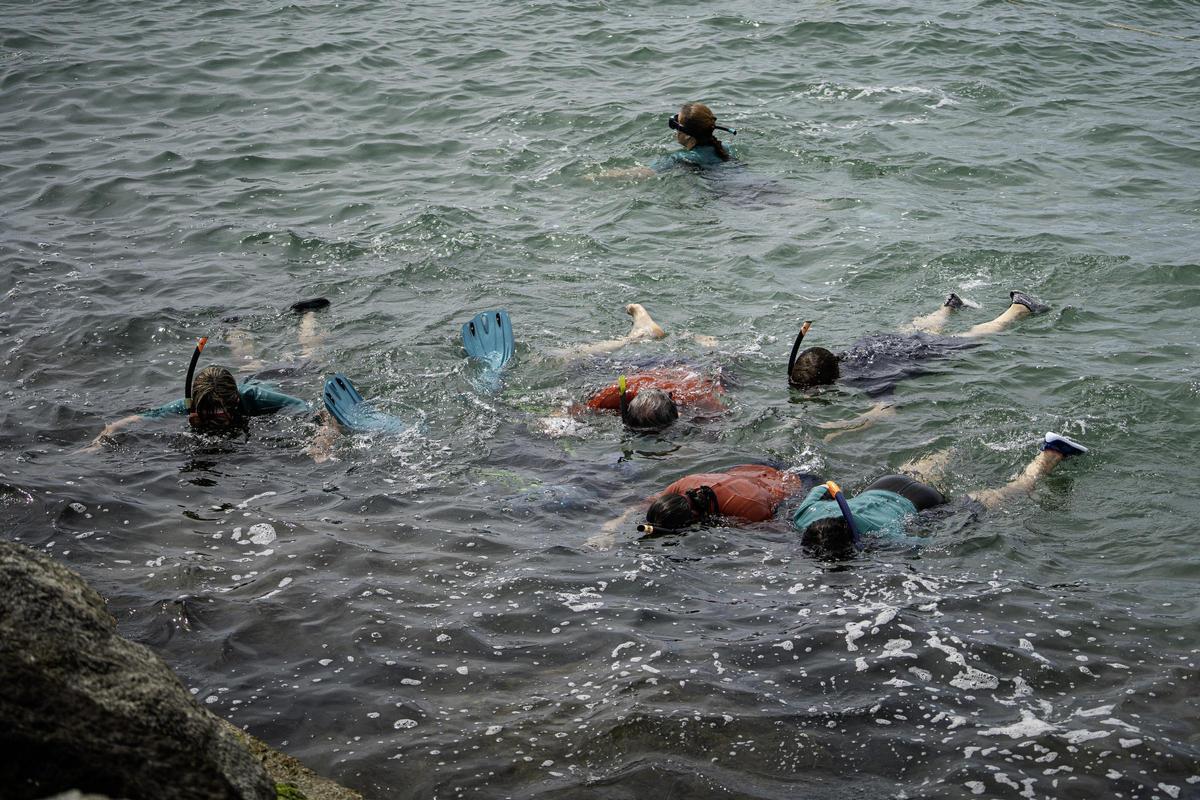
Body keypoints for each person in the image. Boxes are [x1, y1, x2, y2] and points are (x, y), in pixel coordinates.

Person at [789, 290, 1052, 438]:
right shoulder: (847, 354)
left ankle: (1019, 307)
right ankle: (949, 307)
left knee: (970, 337)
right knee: (915, 332)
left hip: (915, 354)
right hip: (884, 343)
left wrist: (843, 428)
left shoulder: (866, 378)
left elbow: (886, 410)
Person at [794, 432, 1089, 559]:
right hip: (887, 482)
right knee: (932, 464)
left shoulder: (877, 535)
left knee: (1006, 493)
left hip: (923, 501)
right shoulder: (804, 516)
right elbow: (826, 487)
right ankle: (956, 447)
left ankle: (1051, 454)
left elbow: (924, 542)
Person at [81, 301, 327, 452]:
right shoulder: (193, 404)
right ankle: (234, 326)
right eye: (207, 413)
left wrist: (320, 442)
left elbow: (318, 413)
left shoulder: (257, 398)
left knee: (308, 357)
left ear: (233, 403)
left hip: (277, 378)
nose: (211, 419)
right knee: (248, 363)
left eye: (218, 413)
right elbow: (134, 419)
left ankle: (307, 314)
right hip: (249, 377)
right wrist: (101, 440)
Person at [588, 464, 818, 548]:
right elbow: (635, 507)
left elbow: (780, 534)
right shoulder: (682, 487)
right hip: (747, 470)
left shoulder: (747, 511)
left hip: (791, 484)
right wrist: (608, 530)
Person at [595, 102, 735, 179]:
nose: (675, 131)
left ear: (687, 135)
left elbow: (644, 173)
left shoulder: (679, 158)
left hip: (728, 197)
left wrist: (600, 175)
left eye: (675, 125)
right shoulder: (726, 148)